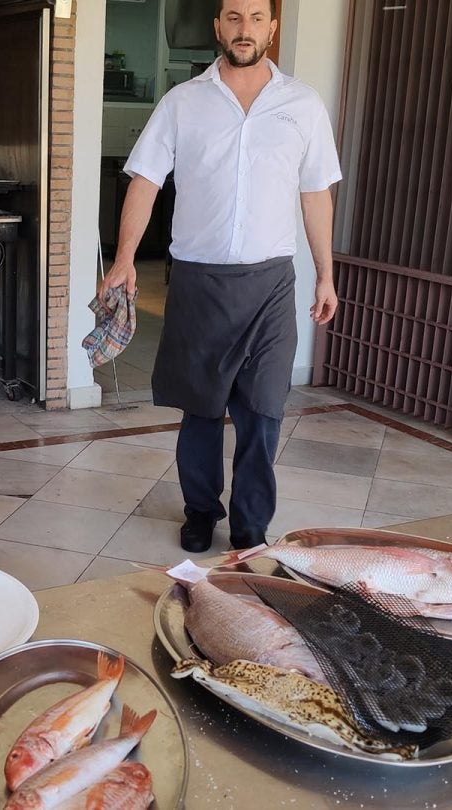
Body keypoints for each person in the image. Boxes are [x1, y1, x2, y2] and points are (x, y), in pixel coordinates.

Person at [99, 0, 340, 553]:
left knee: (263, 414)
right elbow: (145, 179)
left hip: (271, 285)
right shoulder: (183, 103)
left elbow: (316, 193)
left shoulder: (302, 105)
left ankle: (251, 527)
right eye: (234, 17)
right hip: (198, 282)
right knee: (201, 410)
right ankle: (201, 510)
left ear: (272, 28)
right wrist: (124, 257)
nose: (245, 29)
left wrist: (325, 275)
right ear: (218, 27)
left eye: (256, 17)